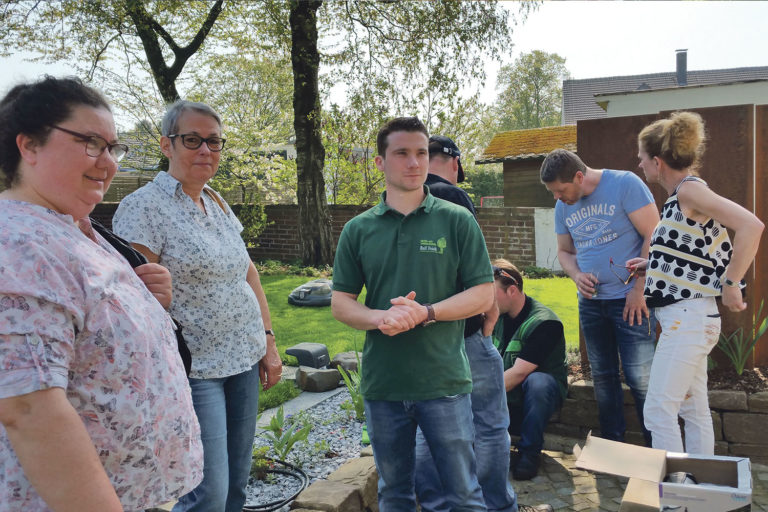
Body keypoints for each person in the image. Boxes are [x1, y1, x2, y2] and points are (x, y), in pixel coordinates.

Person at [0, 76, 203, 511]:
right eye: (90, 142)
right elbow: (29, 407)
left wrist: (148, 302)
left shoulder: (77, 229)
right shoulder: (19, 243)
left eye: (114, 147)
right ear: (29, 145)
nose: (108, 162)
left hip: (135, 492)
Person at [113, 100, 282, 512]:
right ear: (166, 145)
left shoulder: (217, 201)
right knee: (207, 491)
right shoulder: (143, 207)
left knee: (237, 483)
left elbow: (248, 273)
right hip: (195, 368)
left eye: (214, 142)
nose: (206, 150)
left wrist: (268, 340)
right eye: (192, 140)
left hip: (243, 355)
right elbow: (137, 301)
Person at [331, 117, 493, 511]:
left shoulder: (457, 220)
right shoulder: (358, 229)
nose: (414, 162)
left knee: (465, 494)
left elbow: (484, 293)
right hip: (384, 386)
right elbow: (341, 301)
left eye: (421, 153)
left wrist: (426, 313)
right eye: (401, 153)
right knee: (394, 494)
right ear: (379, 162)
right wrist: (381, 318)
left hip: (444, 382)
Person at [629, 111, 764, 454]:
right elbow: (695, 251)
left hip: (687, 320)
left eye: (642, 158)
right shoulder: (682, 197)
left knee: (658, 411)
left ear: (658, 162)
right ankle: (702, 490)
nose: (640, 164)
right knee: (693, 408)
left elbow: (752, 226)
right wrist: (652, 264)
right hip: (690, 318)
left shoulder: (689, 192)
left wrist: (732, 282)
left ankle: (676, 496)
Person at [415, 135, 521, 512]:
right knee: (489, 424)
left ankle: (436, 505)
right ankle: (495, 505)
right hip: (464, 333)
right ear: (455, 162)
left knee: (428, 431)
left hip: (421, 336)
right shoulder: (453, 196)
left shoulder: (396, 200)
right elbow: (477, 267)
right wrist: (489, 312)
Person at [540, 149, 658, 445]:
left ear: (579, 176)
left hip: (631, 301)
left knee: (641, 380)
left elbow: (653, 235)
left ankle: (657, 449)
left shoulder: (624, 184)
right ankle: (612, 446)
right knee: (603, 378)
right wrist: (576, 275)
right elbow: (565, 252)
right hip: (591, 303)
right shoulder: (563, 206)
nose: (557, 198)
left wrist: (638, 289)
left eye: (560, 190)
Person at [491, 260, 567, 481]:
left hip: (533, 403)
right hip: (504, 398)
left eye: (492, 293)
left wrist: (475, 396)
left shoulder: (546, 323)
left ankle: (530, 453)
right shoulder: (493, 316)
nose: (487, 300)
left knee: (538, 382)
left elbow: (518, 374)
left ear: (512, 290)